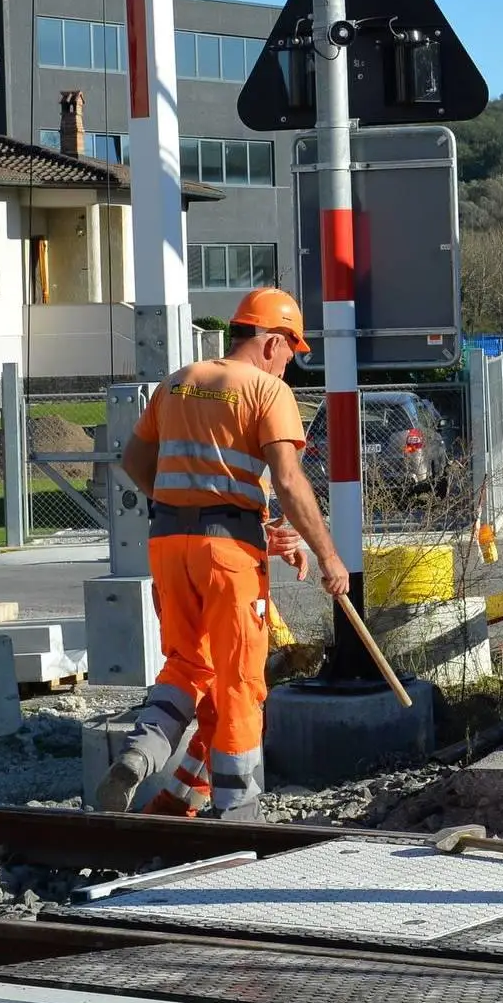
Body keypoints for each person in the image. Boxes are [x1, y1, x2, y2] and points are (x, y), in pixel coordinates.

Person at [95, 287, 350, 821]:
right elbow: (289, 479)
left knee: (188, 666)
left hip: (168, 542)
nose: (289, 367)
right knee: (240, 683)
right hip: (226, 557)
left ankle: (143, 758)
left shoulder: (179, 382)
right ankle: (239, 813)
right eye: (290, 354)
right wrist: (329, 555)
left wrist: (191, 503)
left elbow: (135, 460)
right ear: (273, 342)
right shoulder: (265, 391)